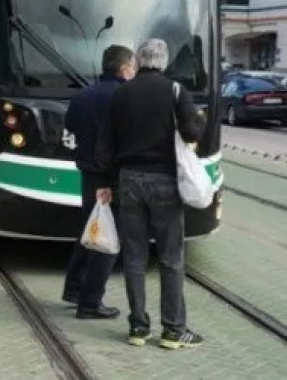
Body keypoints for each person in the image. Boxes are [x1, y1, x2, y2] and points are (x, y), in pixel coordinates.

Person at [94, 38, 205, 349]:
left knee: (134, 257)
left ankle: (138, 328)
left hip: (128, 181)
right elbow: (192, 133)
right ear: (165, 61)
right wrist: (198, 120)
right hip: (165, 181)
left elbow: (105, 144)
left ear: (139, 62)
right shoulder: (174, 91)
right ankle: (173, 330)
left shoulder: (121, 93)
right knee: (170, 258)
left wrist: (105, 182)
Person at [62, 44, 136, 320]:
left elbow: (70, 130)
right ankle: (90, 303)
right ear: (125, 68)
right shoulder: (125, 96)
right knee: (107, 239)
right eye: (134, 67)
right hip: (112, 177)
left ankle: (74, 288)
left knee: (88, 230)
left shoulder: (82, 95)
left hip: (88, 174)